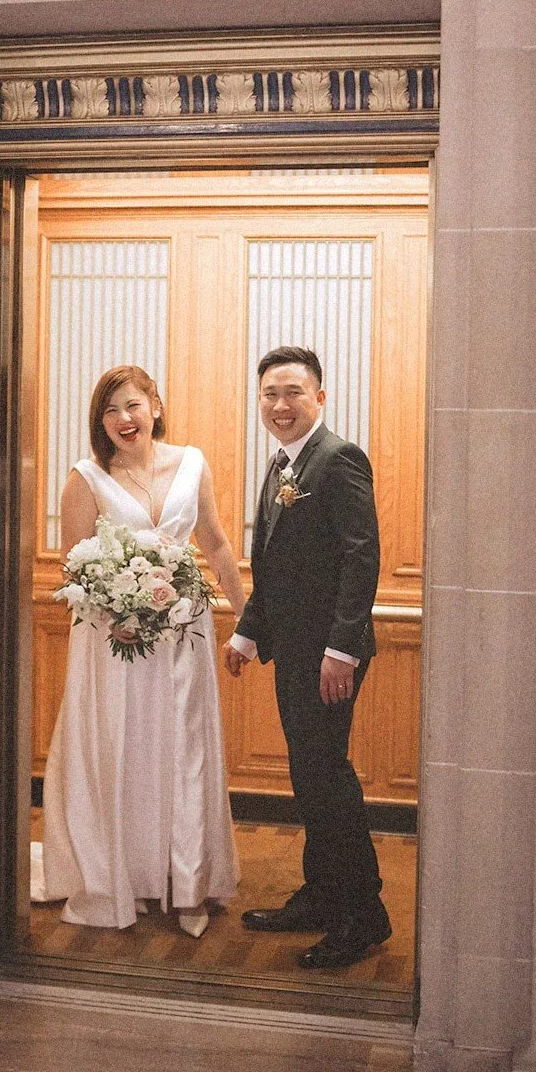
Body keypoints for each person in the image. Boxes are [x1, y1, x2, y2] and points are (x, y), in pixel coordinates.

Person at [37, 364, 244, 937]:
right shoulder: (86, 478)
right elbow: (73, 567)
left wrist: (247, 622)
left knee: (185, 749)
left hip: (184, 632)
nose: (123, 419)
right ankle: (122, 874)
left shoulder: (192, 463)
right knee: (122, 747)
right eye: (110, 411)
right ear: (99, 423)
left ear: (155, 404)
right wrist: (115, 613)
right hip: (113, 642)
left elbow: (219, 545)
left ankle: (187, 881)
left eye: (132, 405)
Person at [225, 346, 390, 968]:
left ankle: (363, 914)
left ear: (319, 397)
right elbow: (274, 567)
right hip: (294, 651)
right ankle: (321, 896)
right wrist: (246, 632)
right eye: (270, 394)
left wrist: (342, 648)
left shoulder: (338, 459)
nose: (280, 405)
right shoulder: (283, 465)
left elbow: (361, 556)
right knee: (310, 778)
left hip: (329, 655)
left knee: (328, 779)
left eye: (293, 393)